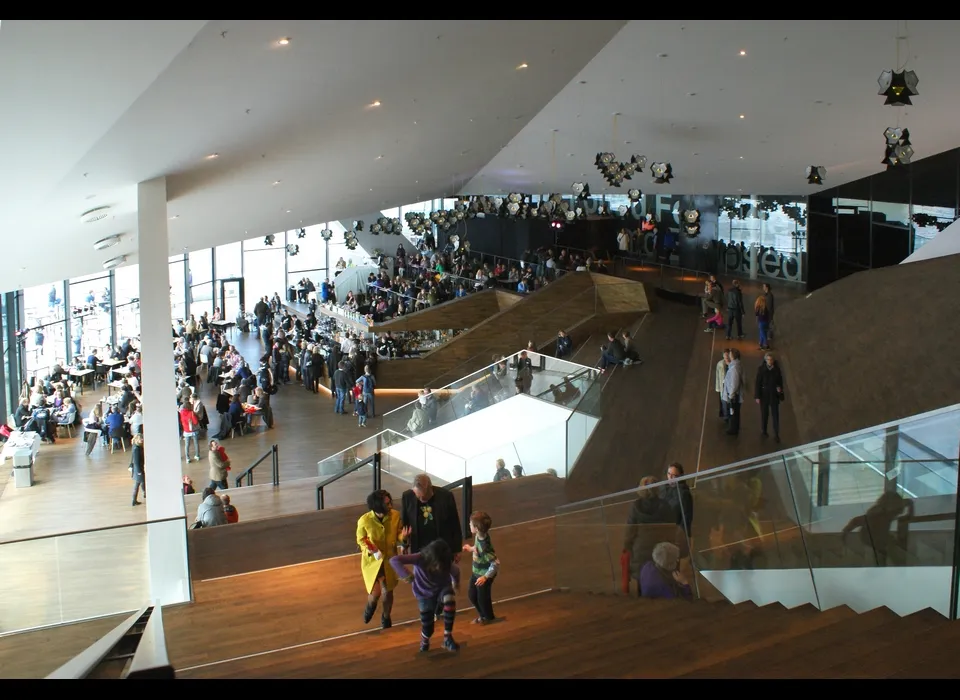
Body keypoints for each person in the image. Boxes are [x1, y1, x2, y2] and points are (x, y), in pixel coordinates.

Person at [399, 474, 463, 620]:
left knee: (442, 577)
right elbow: (405, 525)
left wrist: (456, 548)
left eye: (423, 497)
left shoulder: (445, 496)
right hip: (419, 547)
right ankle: (428, 608)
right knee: (424, 580)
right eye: (417, 496)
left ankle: (439, 605)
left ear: (430, 489)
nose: (420, 500)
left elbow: (455, 522)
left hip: (441, 547)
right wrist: (404, 542)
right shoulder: (407, 496)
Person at [390, 539, 461, 653]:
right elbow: (394, 560)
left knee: (449, 597)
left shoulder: (445, 562)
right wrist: (406, 575)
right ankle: (425, 640)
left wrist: (455, 584)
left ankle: (447, 637)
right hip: (424, 594)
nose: (439, 568)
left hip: (442, 589)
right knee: (428, 628)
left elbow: (455, 571)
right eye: (436, 566)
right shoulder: (420, 558)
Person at [357, 490, 403, 630]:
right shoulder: (364, 520)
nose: (390, 505)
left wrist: (404, 537)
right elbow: (361, 540)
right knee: (375, 593)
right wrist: (373, 550)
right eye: (387, 503)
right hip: (373, 562)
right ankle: (370, 607)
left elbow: (399, 534)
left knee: (388, 592)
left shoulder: (395, 516)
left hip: (389, 560)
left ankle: (386, 617)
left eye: (390, 502)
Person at [463, 511, 499, 625]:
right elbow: (478, 548)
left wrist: (485, 577)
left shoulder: (485, 547)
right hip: (477, 572)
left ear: (476, 528)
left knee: (483, 599)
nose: (469, 524)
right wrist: (471, 548)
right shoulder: (480, 536)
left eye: (470, 524)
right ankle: (483, 615)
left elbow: (495, 563)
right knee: (472, 595)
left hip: (483, 575)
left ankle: (488, 617)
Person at [755, 352, 785, 443]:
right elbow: (757, 383)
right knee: (765, 414)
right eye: (768, 359)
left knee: (775, 415)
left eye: (771, 359)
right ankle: (764, 431)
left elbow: (780, 381)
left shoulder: (777, 369)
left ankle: (776, 433)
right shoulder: (761, 369)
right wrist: (757, 396)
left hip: (774, 395)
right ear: (765, 360)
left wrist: (780, 389)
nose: (770, 361)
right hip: (764, 396)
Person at [130, 433, 146, 506]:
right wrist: (139, 471)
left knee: (140, 483)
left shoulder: (136, 447)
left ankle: (135, 499)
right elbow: (136, 461)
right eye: (140, 439)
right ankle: (135, 499)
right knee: (139, 483)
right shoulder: (137, 448)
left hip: (138, 469)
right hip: (138, 470)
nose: (142, 440)